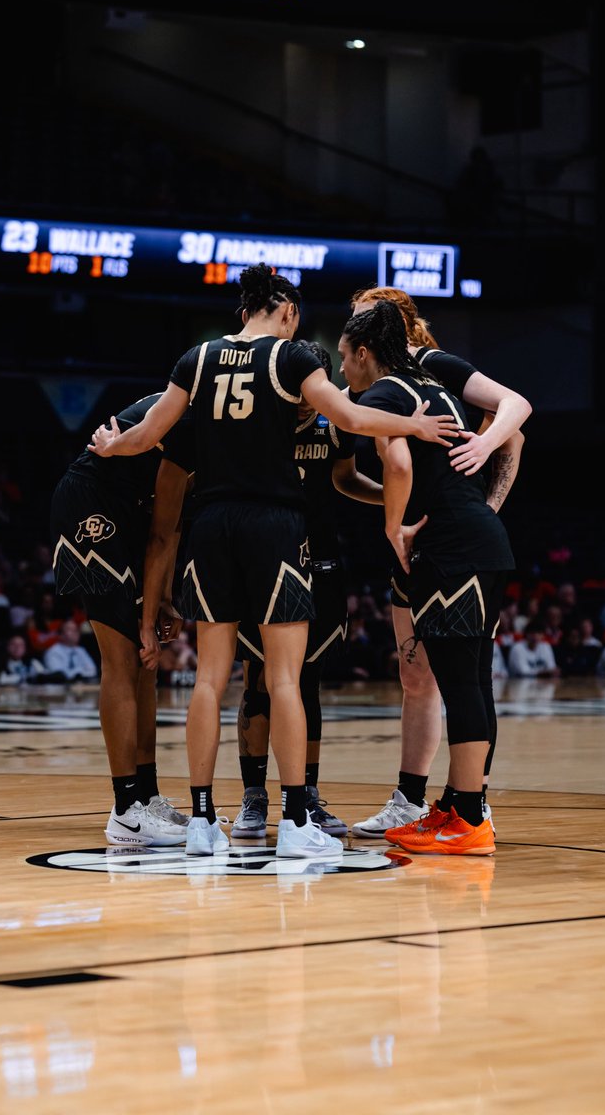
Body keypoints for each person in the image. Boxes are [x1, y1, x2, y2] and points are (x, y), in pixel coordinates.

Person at [93, 262, 463, 860]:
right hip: (275, 524)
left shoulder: (199, 356)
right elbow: (349, 417)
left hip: (210, 525)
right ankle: (294, 820)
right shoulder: (296, 358)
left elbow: (150, 430)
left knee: (210, 680)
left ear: (244, 310)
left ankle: (202, 821)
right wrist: (413, 424)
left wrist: (115, 444)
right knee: (285, 677)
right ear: (287, 311)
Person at [346, 286, 531, 839]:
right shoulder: (421, 387)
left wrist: (399, 523)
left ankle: (469, 811)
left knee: (461, 681)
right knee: (448, 677)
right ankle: (450, 802)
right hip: (459, 540)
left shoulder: (412, 376)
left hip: (448, 543)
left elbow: (511, 427)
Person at [231, 341, 383, 840]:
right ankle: (254, 797)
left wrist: (390, 498)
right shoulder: (258, 419)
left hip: (320, 557)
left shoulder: (335, 420)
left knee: (307, 678)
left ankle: (308, 794)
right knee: (258, 675)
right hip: (263, 554)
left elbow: (344, 478)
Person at [50, 390, 195, 848]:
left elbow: (170, 528)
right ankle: (125, 810)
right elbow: (160, 536)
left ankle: (146, 796)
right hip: (91, 503)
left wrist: (165, 601)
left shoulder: (213, 419)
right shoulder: (193, 420)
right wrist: (149, 618)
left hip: (131, 510)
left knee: (146, 668)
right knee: (124, 660)